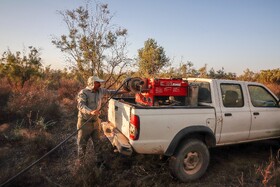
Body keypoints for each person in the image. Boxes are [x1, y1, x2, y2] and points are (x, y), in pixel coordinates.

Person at [76, 76, 126, 165]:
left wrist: (123, 91)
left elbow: (111, 92)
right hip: (84, 123)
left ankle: (99, 163)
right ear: (92, 83)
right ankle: (81, 164)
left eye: (99, 82)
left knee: (97, 143)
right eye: (97, 83)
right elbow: (81, 106)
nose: (100, 84)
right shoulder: (83, 93)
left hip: (96, 122)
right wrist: (90, 112)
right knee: (82, 144)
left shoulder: (100, 90)